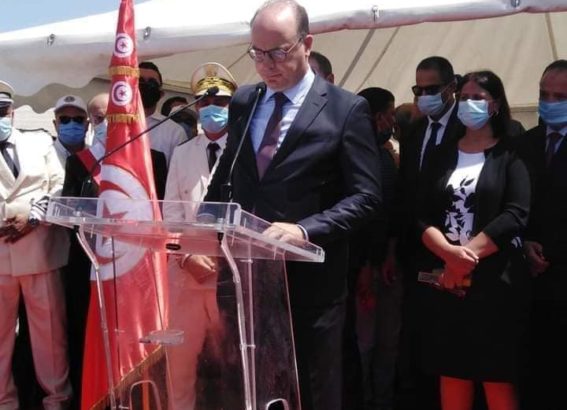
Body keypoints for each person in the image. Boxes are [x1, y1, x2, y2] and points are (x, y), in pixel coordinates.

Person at [205, 2, 383, 409]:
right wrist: (203, 226)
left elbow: (367, 196)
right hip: (243, 278)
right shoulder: (244, 101)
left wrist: (304, 230)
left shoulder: (345, 109)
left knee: (311, 392)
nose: (267, 65)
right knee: (249, 388)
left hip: (308, 286)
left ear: (307, 44)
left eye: (278, 52)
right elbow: (227, 172)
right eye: (257, 54)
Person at [415, 71, 531, 410]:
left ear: (495, 105)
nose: (469, 104)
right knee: (453, 372)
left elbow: (515, 213)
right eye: (464, 98)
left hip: (495, 284)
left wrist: (464, 258)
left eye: (478, 98)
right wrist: (448, 256)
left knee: (495, 375)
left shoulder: (512, 152)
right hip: (446, 283)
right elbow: (420, 215)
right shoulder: (441, 154)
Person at [60, 93, 167, 407]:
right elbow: (68, 212)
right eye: (98, 118)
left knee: (136, 335)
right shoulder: (79, 162)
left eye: (112, 115)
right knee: (88, 334)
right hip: (90, 263)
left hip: (137, 264)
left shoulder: (153, 160)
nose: (106, 124)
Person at [163, 62, 237, 410]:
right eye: (204, 102)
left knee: (232, 362)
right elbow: (170, 216)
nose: (211, 109)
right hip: (188, 274)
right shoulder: (182, 153)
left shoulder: (246, 152)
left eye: (219, 102)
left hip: (231, 273)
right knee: (180, 363)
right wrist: (186, 256)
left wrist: (225, 259)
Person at [394, 56, 464, 410]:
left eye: (431, 89)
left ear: (452, 87)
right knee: (418, 337)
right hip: (416, 251)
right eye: (418, 90)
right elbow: (407, 192)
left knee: (452, 339)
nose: (423, 96)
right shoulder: (415, 131)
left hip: (455, 251)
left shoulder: (468, 129)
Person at [0, 80, 72, 410]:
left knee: (51, 337)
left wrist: (32, 215)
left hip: (41, 249)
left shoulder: (40, 141)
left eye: (2, 111)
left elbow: (59, 186)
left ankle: (57, 400)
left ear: (12, 112)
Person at [515, 59, 567, 410]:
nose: (549, 102)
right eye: (544, 94)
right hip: (527, 282)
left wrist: (552, 253)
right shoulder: (524, 143)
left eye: (559, 97)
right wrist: (523, 244)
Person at [356, 87, 401, 410]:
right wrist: (366, 265)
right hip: (364, 266)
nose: (393, 122)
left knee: (388, 340)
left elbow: (392, 212)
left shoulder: (384, 156)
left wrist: (390, 254)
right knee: (364, 342)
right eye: (390, 115)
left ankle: (382, 399)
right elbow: (362, 220)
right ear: (377, 117)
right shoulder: (352, 157)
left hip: (386, 262)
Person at [138, 61, 188, 165]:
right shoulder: (112, 125)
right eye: (140, 81)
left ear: (161, 94)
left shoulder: (174, 132)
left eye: (152, 83)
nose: (145, 86)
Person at [52, 95, 89, 168]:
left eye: (78, 119)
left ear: (87, 125)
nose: (72, 124)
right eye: (64, 119)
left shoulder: (97, 156)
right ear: (55, 124)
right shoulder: (42, 156)